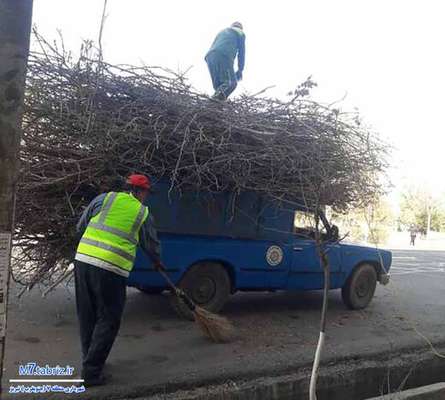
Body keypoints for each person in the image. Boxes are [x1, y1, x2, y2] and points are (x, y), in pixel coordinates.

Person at [74, 174, 161, 386]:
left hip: (83, 261)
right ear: (139, 192)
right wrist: (157, 261)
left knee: (88, 314)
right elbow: (150, 244)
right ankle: (92, 373)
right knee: (109, 319)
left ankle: (91, 360)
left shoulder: (104, 199)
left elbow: (80, 226)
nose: (146, 197)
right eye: (146, 193)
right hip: (111, 269)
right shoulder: (142, 212)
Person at [205, 21, 246, 100]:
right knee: (231, 83)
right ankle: (211, 103)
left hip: (210, 57)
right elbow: (242, 52)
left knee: (219, 86)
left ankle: (215, 107)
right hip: (224, 55)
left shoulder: (222, 32)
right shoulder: (240, 32)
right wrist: (240, 69)